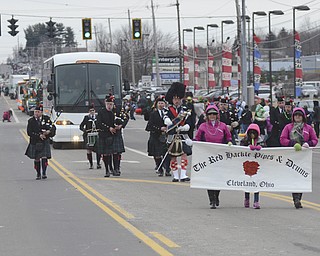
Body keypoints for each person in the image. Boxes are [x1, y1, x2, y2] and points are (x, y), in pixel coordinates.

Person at [194, 104, 232, 209]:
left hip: (220, 155)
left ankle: (217, 195)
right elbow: (197, 139)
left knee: (218, 177)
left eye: (214, 114)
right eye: (210, 114)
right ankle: (212, 199)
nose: (212, 116)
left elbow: (228, 137)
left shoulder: (223, 126)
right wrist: (192, 143)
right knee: (209, 178)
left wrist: (229, 143)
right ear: (207, 115)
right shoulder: (202, 126)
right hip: (207, 155)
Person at [280, 107, 318, 209]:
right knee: (294, 176)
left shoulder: (308, 128)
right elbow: (282, 139)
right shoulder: (288, 127)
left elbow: (314, 140)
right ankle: (295, 198)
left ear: (303, 117)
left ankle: (299, 198)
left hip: (303, 156)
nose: (297, 117)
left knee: (301, 175)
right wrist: (292, 143)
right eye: (296, 115)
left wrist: (308, 143)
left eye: (299, 115)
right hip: (292, 154)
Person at [164, 82, 193, 182]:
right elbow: (166, 117)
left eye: (178, 99)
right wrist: (167, 121)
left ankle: (184, 174)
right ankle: (176, 175)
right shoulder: (168, 110)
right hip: (172, 135)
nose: (176, 101)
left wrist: (186, 127)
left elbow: (190, 121)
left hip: (183, 135)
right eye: (175, 99)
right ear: (172, 99)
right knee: (173, 156)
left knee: (184, 154)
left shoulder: (185, 110)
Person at [25, 105, 56, 180]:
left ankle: (44, 173)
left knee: (44, 157)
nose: (36, 113)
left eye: (38, 112)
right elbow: (29, 132)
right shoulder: (31, 121)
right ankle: (38, 173)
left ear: (41, 112)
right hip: (35, 141)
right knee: (37, 158)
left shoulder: (46, 119)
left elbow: (53, 128)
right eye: (35, 112)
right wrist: (39, 136)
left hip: (44, 141)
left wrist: (49, 132)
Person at [240, 123, 265, 209]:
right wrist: (247, 147)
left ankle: (256, 201)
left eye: (254, 133)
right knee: (247, 182)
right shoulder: (245, 140)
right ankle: (246, 199)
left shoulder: (260, 140)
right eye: (251, 133)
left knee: (256, 183)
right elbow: (240, 148)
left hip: (256, 164)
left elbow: (265, 149)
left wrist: (259, 147)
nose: (252, 135)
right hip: (247, 163)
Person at [146, 95, 171, 177]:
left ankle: (167, 169)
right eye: (159, 103)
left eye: (162, 103)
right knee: (156, 154)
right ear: (156, 104)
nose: (161, 105)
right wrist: (160, 128)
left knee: (167, 154)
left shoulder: (168, 113)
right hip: (155, 136)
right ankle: (160, 169)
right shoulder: (153, 113)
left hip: (165, 136)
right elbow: (150, 125)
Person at [96, 94, 116, 177]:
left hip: (110, 135)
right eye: (108, 104)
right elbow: (99, 123)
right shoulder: (101, 112)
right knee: (105, 154)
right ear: (105, 103)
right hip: (103, 135)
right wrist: (109, 128)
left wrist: (116, 126)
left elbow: (114, 122)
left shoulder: (112, 113)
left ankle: (111, 168)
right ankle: (107, 170)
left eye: (111, 104)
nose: (109, 106)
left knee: (110, 153)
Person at [79, 105, 101, 169]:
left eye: (93, 110)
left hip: (97, 134)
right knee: (89, 150)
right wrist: (85, 130)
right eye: (91, 111)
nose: (92, 112)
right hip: (88, 135)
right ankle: (91, 164)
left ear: (95, 111)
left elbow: (100, 124)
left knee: (98, 150)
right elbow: (81, 126)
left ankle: (98, 164)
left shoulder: (98, 117)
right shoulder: (86, 117)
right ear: (89, 111)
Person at [110, 102, 129, 176]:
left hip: (118, 133)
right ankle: (110, 168)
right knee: (109, 153)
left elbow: (126, 118)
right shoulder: (106, 111)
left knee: (117, 152)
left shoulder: (120, 111)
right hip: (109, 133)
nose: (111, 106)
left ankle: (117, 168)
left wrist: (121, 125)